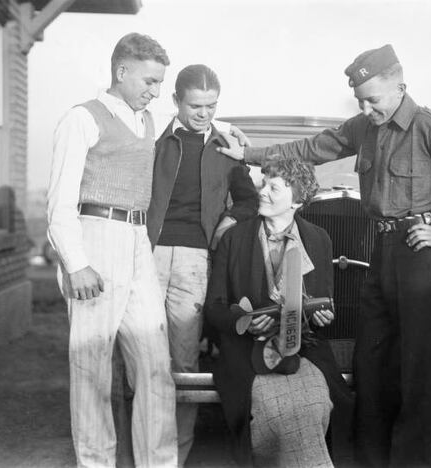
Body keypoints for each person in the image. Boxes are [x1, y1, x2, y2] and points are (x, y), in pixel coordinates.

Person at [218, 44, 431, 467]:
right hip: (381, 251)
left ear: (400, 87)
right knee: (371, 365)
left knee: (418, 371)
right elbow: (312, 149)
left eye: (372, 99)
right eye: (359, 101)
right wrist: (252, 156)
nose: (366, 108)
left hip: (421, 252)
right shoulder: (362, 127)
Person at [47, 33, 177, 468]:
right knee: (92, 371)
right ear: (121, 72)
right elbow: (60, 203)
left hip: (137, 242)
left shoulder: (149, 121)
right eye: (149, 81)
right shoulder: (82, 118)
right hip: (94, 238)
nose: (155, 91)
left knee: (156, 366)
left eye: (160, 83)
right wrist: (76, 263)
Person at [204, 154, 354, 467]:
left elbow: (324, 299)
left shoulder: (318, 239)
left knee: (319, 403)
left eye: (275, 188)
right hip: (245, 349)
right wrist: (244, 322)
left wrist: (322, 314)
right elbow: (214, 308)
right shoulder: (233, 238)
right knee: (272, 409)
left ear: (297, 200)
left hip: (303, 349)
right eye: (264, 184)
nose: (262, 192)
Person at [145, 64, 258, 465]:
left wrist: (228, 220)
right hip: (149, 255)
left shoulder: (225, 147)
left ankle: (174, 455)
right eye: (196, 105)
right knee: (142, 355)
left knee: (184, 358)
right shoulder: (154, 138)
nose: (204, 114)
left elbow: (248, 199)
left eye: (212, 106)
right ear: (176, 101)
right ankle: (145, 449)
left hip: (195, 261)